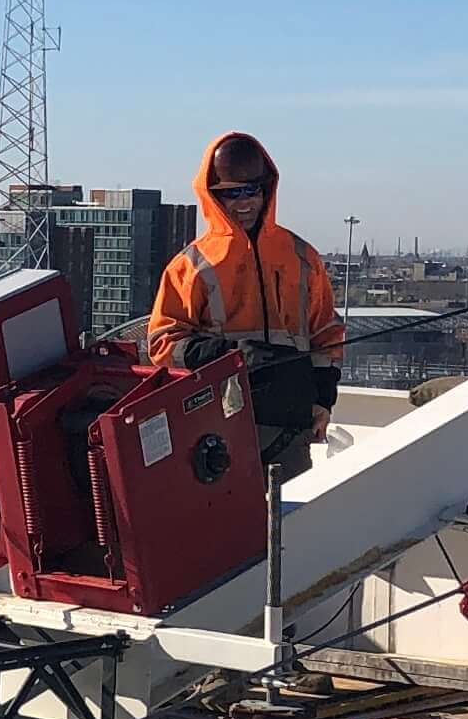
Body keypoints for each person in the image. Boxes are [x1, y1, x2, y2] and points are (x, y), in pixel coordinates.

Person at [149, 130, 347, 477]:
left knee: (290, 524)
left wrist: (323, 399)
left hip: (290, 422)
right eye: (231, 194)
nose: (243, 203)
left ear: (266, 189)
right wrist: (231, 354)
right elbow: (164, 343)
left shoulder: (301, 257)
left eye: (251, 191)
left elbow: (326, 335)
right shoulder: (192, 265)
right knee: (226, 525)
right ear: (213, 196)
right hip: (217, 423)